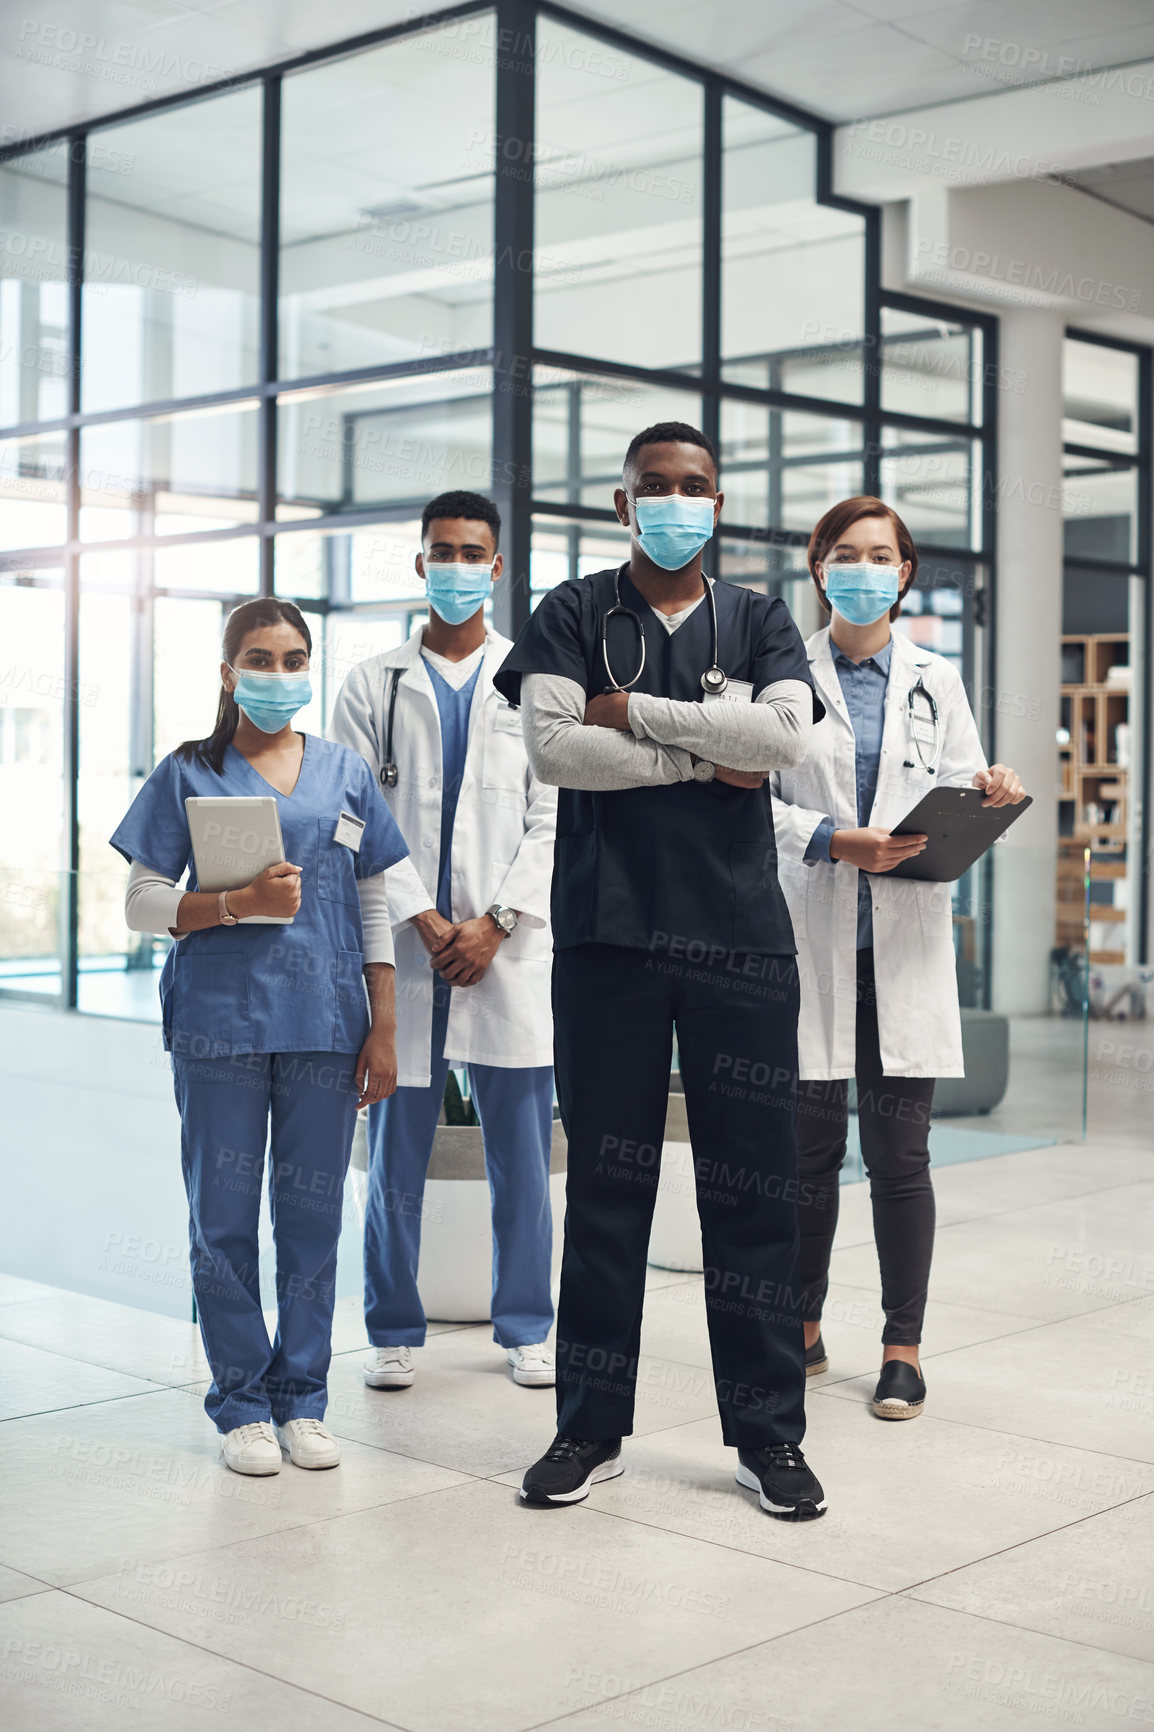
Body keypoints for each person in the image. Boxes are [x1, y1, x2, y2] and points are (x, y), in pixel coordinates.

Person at [494, 421, 829, 1519]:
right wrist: (708, 749)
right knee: (605, 1188)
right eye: (654, 486)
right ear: (620, 501)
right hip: (608, 941)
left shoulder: (760, 615)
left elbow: (781, 743)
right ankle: (589, 1427)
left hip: (739, 941)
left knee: (750, 1197)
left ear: (716, 502)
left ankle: (767, 1435)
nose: (675, 500)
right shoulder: (573, 611)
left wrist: (632, 715)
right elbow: (553, 748)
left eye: (694, 486)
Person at [110, 598, 408, 1476]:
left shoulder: (345, 771)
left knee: (313, 1217)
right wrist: (234, 904)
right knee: (224, 1217)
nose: (280, 674)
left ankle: (303, 1400)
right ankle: (239, 1401)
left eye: (294, 657)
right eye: (260, 658)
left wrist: (383, 1025)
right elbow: (139, 903)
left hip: (325, 1024)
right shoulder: (188, 771)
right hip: (220, 1021)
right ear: (227, 672)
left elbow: (373, 902)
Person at [771, 495, 1026, 1421]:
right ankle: (800, 1328)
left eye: (882, 555)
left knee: (899, 1158)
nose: (864, 569)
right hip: (814, 944)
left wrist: (991, 790)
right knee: (806, 1155)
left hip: (905, 952)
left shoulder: (936, 679)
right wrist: (836, 840)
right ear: (819, 566)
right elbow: (747, 801)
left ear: (906, 572)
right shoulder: (781, 675)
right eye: (846, 553)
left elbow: (961, 783)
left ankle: (902, 1348)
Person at [329, 490, 559, 1392]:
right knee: (394, 1155)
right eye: (443, 551)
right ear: (421, 564)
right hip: (408, 949)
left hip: (508, 949)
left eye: (475, 552)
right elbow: (357, 813)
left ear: (497, 568)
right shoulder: (371, 684)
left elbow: (558, 813)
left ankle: (527, 1324)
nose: (459, 566)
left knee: (523, 1158)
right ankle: (392, 1325)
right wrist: (424, 917)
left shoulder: (539, 684)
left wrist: (497, 923)